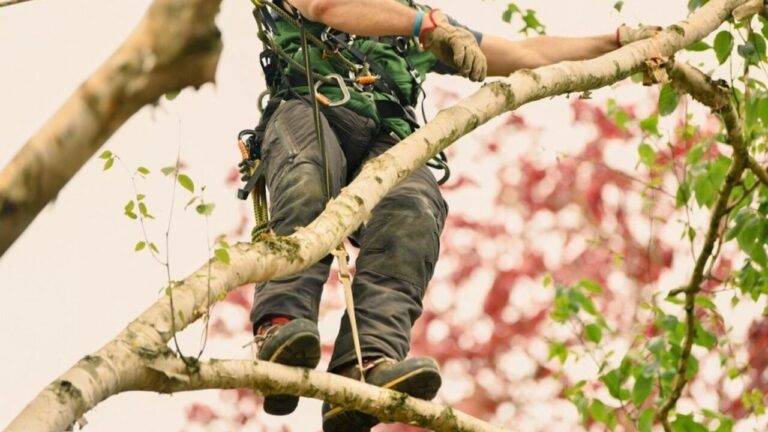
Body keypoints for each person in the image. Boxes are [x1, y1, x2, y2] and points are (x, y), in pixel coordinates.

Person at [244, 0, 657, 430]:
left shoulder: (416, 25)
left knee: (415, 211)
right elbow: (325, 5)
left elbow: (527, 54)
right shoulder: (415, 23)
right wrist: (424, 26)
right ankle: (280, 327)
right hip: (311, 106)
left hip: (388, 137)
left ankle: (365, 365)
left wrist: (617, 43)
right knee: (307, 181)